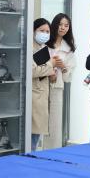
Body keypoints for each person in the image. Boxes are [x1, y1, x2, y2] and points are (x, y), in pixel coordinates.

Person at [46, 13, 76, 148]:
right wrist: (50, 68)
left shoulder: (68, 50)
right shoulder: (44, 44)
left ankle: (52, 151)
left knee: (54, 123)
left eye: (66, 25)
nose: (63, 28)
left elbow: (68, 77)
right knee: (38, 121)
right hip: (40, 86)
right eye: (60, 24)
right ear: (54, 25)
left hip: (56, 88)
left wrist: (62, 67)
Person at [30, 18, 56, 150]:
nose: (45, 34)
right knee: (30, 138)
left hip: (41, 95)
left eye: (47, 31)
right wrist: (51, 65)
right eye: (42, 30)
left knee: (35, 137)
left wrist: (52, 74)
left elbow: (44, 72)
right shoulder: (29, 48)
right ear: (33, 31)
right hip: (33, 96)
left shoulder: (43, 48)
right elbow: (32, 71)